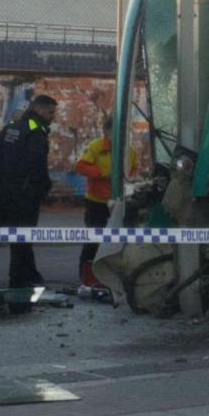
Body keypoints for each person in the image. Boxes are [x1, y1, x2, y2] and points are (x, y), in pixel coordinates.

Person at [0, 95, 57, 310]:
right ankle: (18, 300)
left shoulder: (11, 127)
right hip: (23, 199)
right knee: (21, 246)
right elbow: (37, 166)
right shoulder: (35, 131)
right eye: (50, 112)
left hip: (1, 197)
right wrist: (43, 188)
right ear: (39, 109)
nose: (52, 117)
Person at [75, 115, 135, 294]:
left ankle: (112, 278)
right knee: (93, 241)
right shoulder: (96, 147)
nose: (119, 135)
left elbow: (133, 169)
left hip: (118, 203)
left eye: (123, 131)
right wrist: (102, 173)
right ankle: (86, 277)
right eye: (114, 131)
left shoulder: (129, 151)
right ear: (106, 131)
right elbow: (80, 166)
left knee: (117, 243)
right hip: (97, 202)